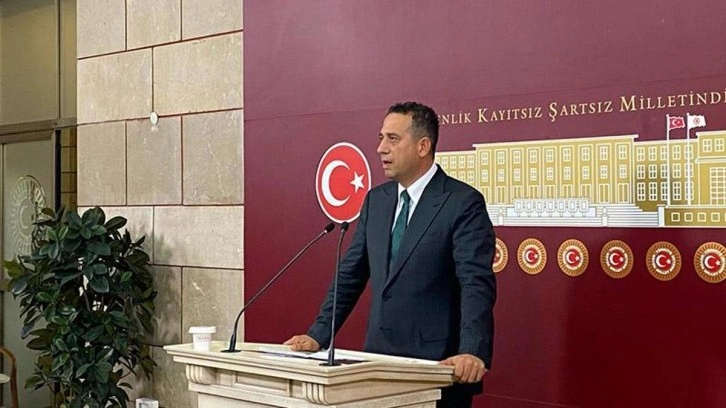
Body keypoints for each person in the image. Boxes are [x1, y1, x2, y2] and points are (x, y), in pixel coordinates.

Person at [285, 101, 496, 408]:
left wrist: (472, 351)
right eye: (381, 138)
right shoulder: (376, 201)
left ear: (423, 146)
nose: (381, 148)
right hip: (378, 367)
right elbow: (350, 276)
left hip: (437, 370)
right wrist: (318, 335)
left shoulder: (462, 202)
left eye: (393, 139)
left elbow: (475, 284)